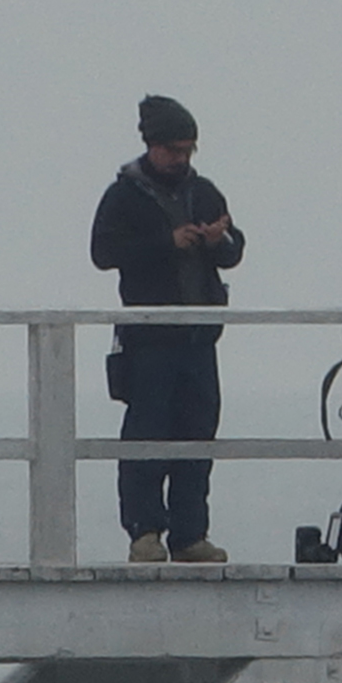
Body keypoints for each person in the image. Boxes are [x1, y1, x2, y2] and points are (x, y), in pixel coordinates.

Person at [90, 95, 245, 563]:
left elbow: (235, 251)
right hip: (149, 340)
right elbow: (102, 253)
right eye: (174, 150)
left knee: (198, 436)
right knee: (146, 436)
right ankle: (145, 532)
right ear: (152, 145)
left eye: (189, 151)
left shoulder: (206, 192)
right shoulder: (123, 196)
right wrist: (166, 243)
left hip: (199, 338)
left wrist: (219, 241)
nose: (182, 160)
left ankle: (190, 535)